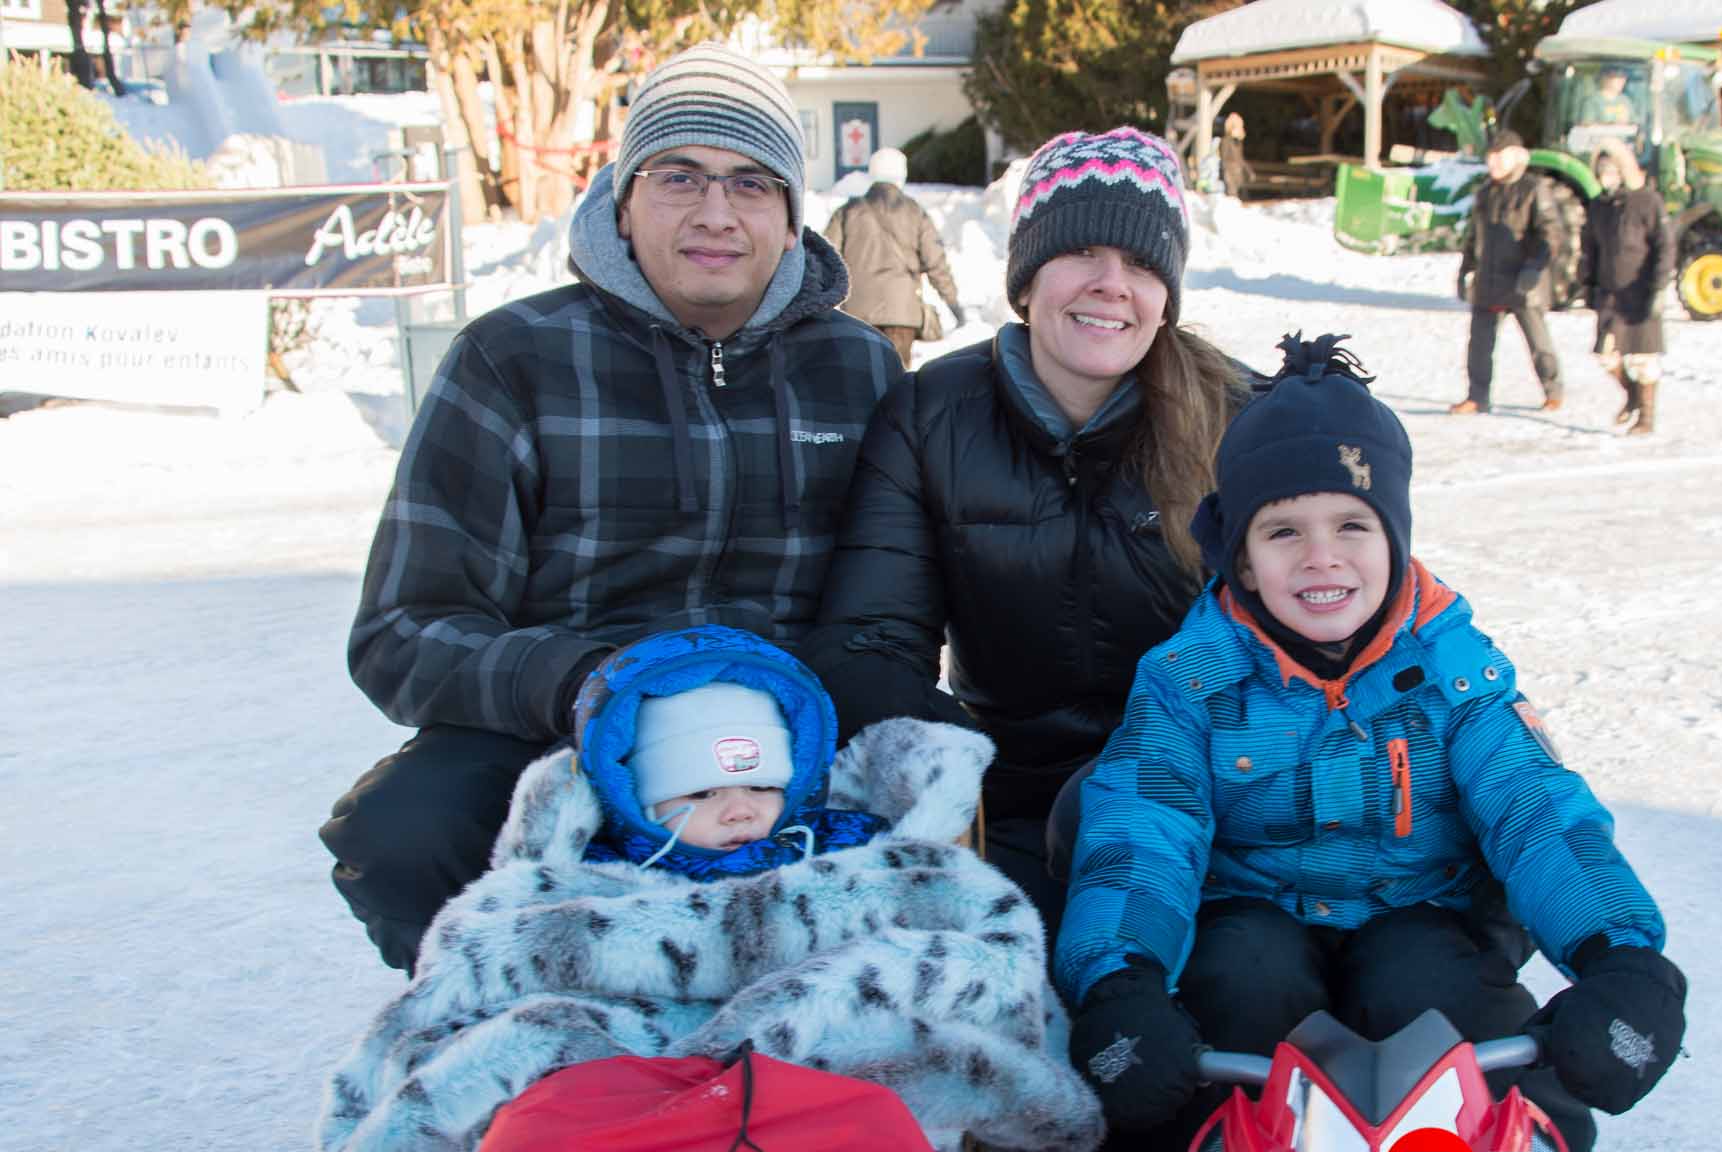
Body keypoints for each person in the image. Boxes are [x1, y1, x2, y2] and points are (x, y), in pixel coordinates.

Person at [1055, 334, 1687, 1152]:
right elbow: (1145, 832)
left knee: (1438, 1000)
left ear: (1393, 533)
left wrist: (1621, 959)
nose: (1320, 558)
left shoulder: (1454, 668)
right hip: (1251, 910)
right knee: (1237, 988)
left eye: (1351, 524)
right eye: (1281, 531)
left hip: (1415, 911)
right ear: (1234, 550)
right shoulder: (1187, 681)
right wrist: (1121, 981)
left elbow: (1536, 813)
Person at [319, 44, 901, 974]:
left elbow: (896, 594)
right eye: (680, 177)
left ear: (792, 220)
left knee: (955, 794)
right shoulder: (514, 358)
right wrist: (587, 685)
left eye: (751, 183)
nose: (716, 212)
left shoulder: (859, 367)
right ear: (622, 202)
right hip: (564, 724)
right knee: (402, 831)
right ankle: (509, 1055)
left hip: (790, 722)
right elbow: (403, 630)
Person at [319, 624, 1105, 1152]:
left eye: (759, 788)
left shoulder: (827, 836)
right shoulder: (614, 861)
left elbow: (914, 894)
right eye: (700, 793)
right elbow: (528, 922)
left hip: (803, 1031)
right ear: (645, 799)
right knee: (543, 1040)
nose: (737, 812)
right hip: (651, 1031)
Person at [802, 127, 1250, 937]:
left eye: (1144, 264)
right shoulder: (930, 414)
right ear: (1028, 273)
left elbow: (1338, 608)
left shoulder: (1238, 421)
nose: (1113, 285)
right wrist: (958, 754)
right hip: (1011, 805)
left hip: (1203, 802)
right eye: (1082, 251)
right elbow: (870, 639)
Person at [1451, 128, 1564, 415]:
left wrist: (1534, 268)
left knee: (1538, 343)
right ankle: (1477, 396)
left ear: (1515, 158)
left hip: (1523, 282)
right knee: (1479, 345)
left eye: (1499, 158)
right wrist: (1466, 270)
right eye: (1490, 158)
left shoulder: (1533, 188)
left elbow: (1551, 233)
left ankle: (1553, 392)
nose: (1493, 164)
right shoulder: (1485, 192)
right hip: (1489, 280)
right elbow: (1474, 239)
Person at [823, 146, 966, 365]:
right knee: (897, 385)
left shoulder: (848, 212)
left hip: (857, 314)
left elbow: (825, 259)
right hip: (902, 314)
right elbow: (936, 262)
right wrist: (954, 303)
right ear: (902, 174)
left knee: (859, 384)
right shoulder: (915, 212)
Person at [1579, 142, 1674, 435]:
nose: (1606, 175)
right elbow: (1590, 247)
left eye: (1611, 169)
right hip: (1610, 292)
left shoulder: (1647, 201)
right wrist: (1587, 284)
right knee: (1606, 355)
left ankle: (1646, 417)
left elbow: (1664, 245)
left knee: (1644, 358)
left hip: (1641, 290)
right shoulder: (1599, 206)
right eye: (1601, 170)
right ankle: (1631, 396)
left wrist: (1659, 288)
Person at [1219, 111, 1253, 199]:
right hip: (1230, 176)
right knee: (1232, 199)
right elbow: (1224, 160)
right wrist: (1226, 176)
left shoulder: (1238, 142)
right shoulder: (1225, 141)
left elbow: (1240, 159)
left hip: (1238, 176)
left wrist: (1249, 171)